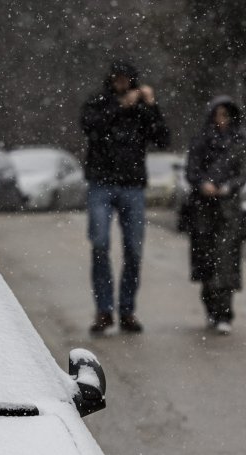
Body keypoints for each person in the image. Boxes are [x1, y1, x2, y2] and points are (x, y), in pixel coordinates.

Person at [81, 60, 170, 334]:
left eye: (126, 79)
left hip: (132, 185)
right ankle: (104, 310)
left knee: (133, 249)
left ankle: (127, 309)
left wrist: (151, 105)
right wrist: (119, 106)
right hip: (101, 183)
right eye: (117, 79)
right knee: (100, 245)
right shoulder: (98, 101)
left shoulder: (142, 110)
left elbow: (163, 139)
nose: (121, 84)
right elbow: (89, 126)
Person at [185, 96, 246, 334]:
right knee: (205, 259)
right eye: (218, 115)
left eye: (226, 115)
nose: (222, 120)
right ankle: (212, 308)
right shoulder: (200, 139)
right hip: (202, 209)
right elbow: (191, 170)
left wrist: (226, 188)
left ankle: (224, 312)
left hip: (228, 210)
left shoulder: (239, 140)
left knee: (226, 260)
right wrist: (203, 184)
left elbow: (242, 174)